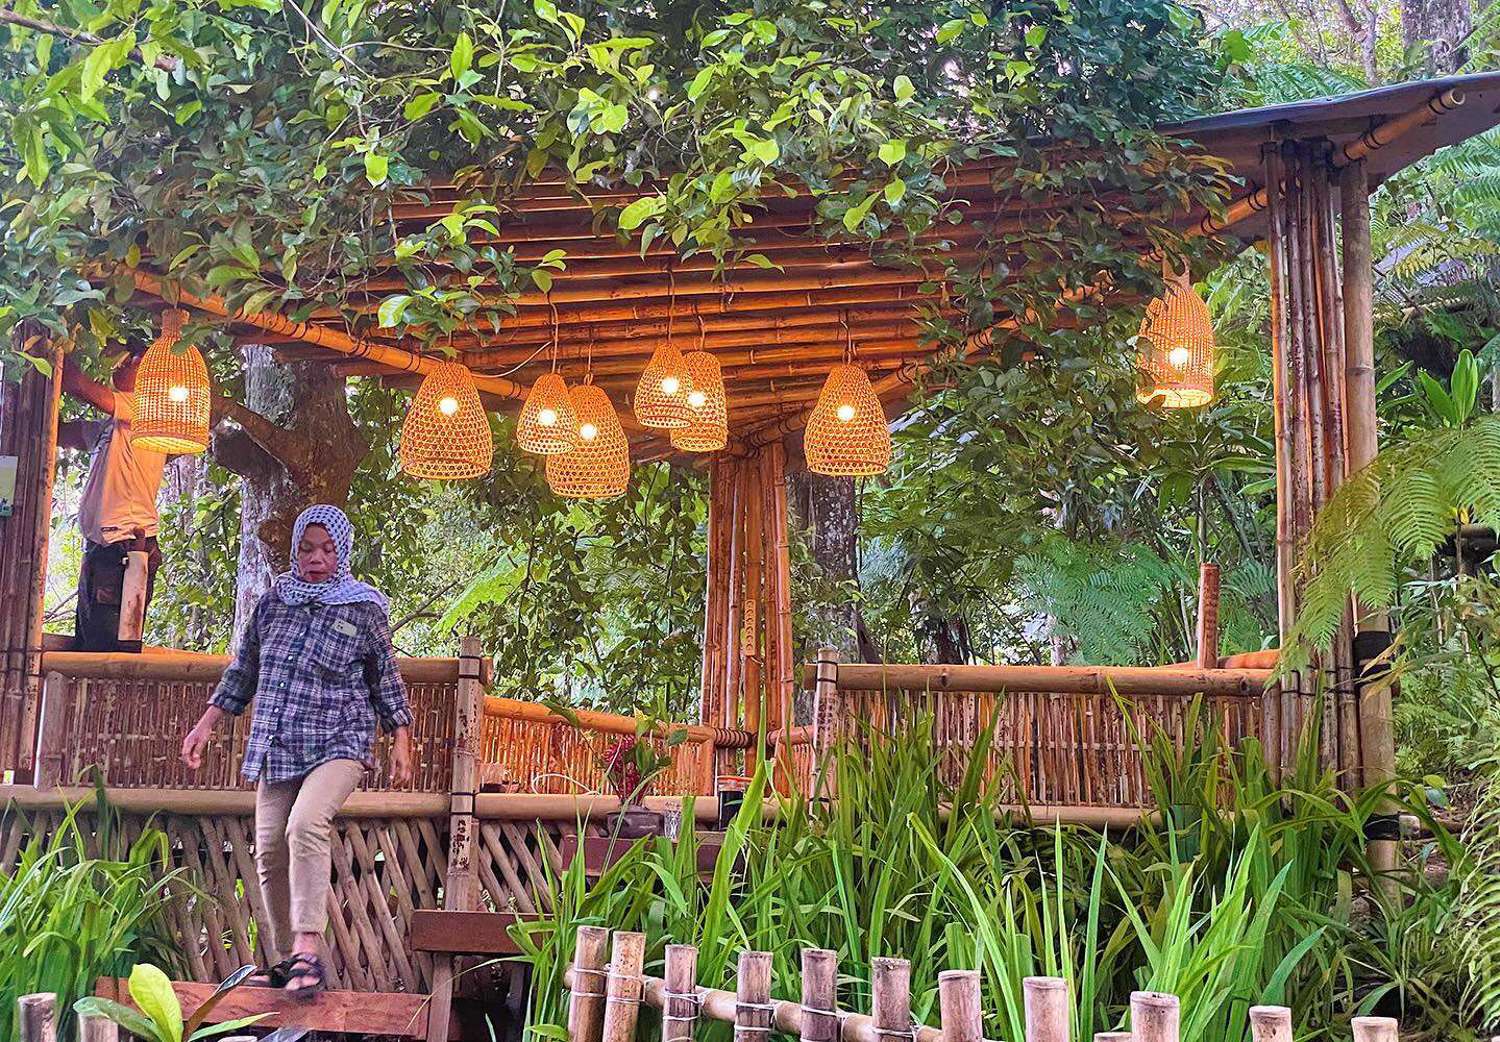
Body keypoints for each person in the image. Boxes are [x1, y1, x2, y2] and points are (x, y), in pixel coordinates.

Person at [179, 504, 415, 997]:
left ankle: (309, 948)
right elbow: (242, 672)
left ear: (342, 551)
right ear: (294, 552)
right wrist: (205, 726)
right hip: (278, 741)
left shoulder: (363, 608)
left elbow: (385, 680)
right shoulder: (273, 604)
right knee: (268, 848)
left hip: (339, 740)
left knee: (305, 824)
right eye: (307, 549)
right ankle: (289, 960)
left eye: (327, 549)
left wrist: (401, 740)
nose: (316, 558)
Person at [59, 343, 168, 651]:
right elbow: (59, 432)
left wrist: (60, 342)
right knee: (89, 641)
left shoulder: (149, 411)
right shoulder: (109, 426)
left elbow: (78, 383)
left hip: (125, 548)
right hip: (102, 548)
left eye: (132, 361)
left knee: (107, 651)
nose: (121, 365)